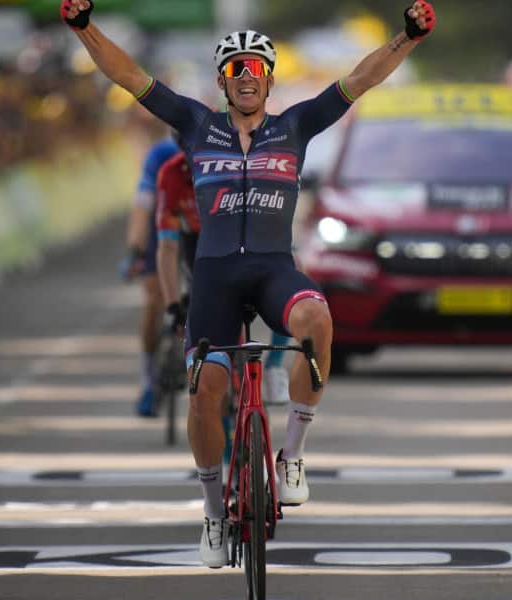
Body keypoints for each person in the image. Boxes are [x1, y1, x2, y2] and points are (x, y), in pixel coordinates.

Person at [61, 0, 436, 568]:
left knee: (318, 320)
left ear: (269, 79)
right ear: (221, 81)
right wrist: (85, 28)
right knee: (205, 393)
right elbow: (129, 75)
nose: (246, 78)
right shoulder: (193, 123)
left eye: (255, 70)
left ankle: (292, 457)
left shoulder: (296, 126)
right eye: (235, 70)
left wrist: (406, 38)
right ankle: (213, 512)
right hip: (214, 277)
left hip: (272, 270)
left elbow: (360, 80)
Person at [154, 150, 291, 407]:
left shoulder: (237, 165)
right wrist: (173, 304)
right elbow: (168, 247)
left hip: (242, 234)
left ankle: (273, 369)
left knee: (293, 269)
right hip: (197, 242)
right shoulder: (171, 174)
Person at [124, 135, 179, 417]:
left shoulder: (226, 145)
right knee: (154, 298)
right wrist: (135, 249)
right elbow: (142, 208)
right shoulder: (161, 156)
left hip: (204, 228)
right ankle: (148, 381)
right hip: (165, 227)